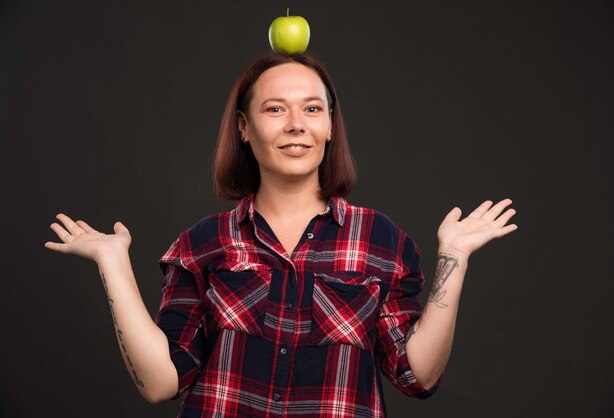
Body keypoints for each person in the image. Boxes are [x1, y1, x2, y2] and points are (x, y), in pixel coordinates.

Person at [45, 51, 517, 417]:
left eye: (312, 109)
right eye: (275, 109)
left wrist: (453, 258)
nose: (296, 125)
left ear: (331, 126)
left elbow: (417, 376)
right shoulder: (203, 244)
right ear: (245, 129)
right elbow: (161, 382)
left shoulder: (381, 240)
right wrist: (113, 262)